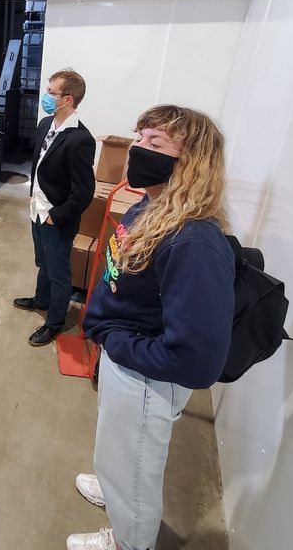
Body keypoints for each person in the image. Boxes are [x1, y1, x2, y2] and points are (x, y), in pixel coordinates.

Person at [67, 105, 235, 550]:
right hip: (126, 359)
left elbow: (198, 362)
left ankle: (128, 540)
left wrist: (119, 344)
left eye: (154, 143)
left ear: (191, 160)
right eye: (139, 138)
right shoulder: (152, 207)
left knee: (135, 474)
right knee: (116, 451)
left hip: (146, 378)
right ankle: (111, 481)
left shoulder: (194, 240)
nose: (138, 149)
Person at [13, 68, 96, 347]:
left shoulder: (80, 139)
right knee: (43, 262)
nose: (46, 97)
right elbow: (39, 164)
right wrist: (33, 193)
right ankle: (41, 299)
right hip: (37, 208)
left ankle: (54, 322)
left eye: (51, 93)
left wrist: (56, 216)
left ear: (68, 99)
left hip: (55, 218)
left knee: (59, 273)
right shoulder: (44, 124)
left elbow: (84, 191)